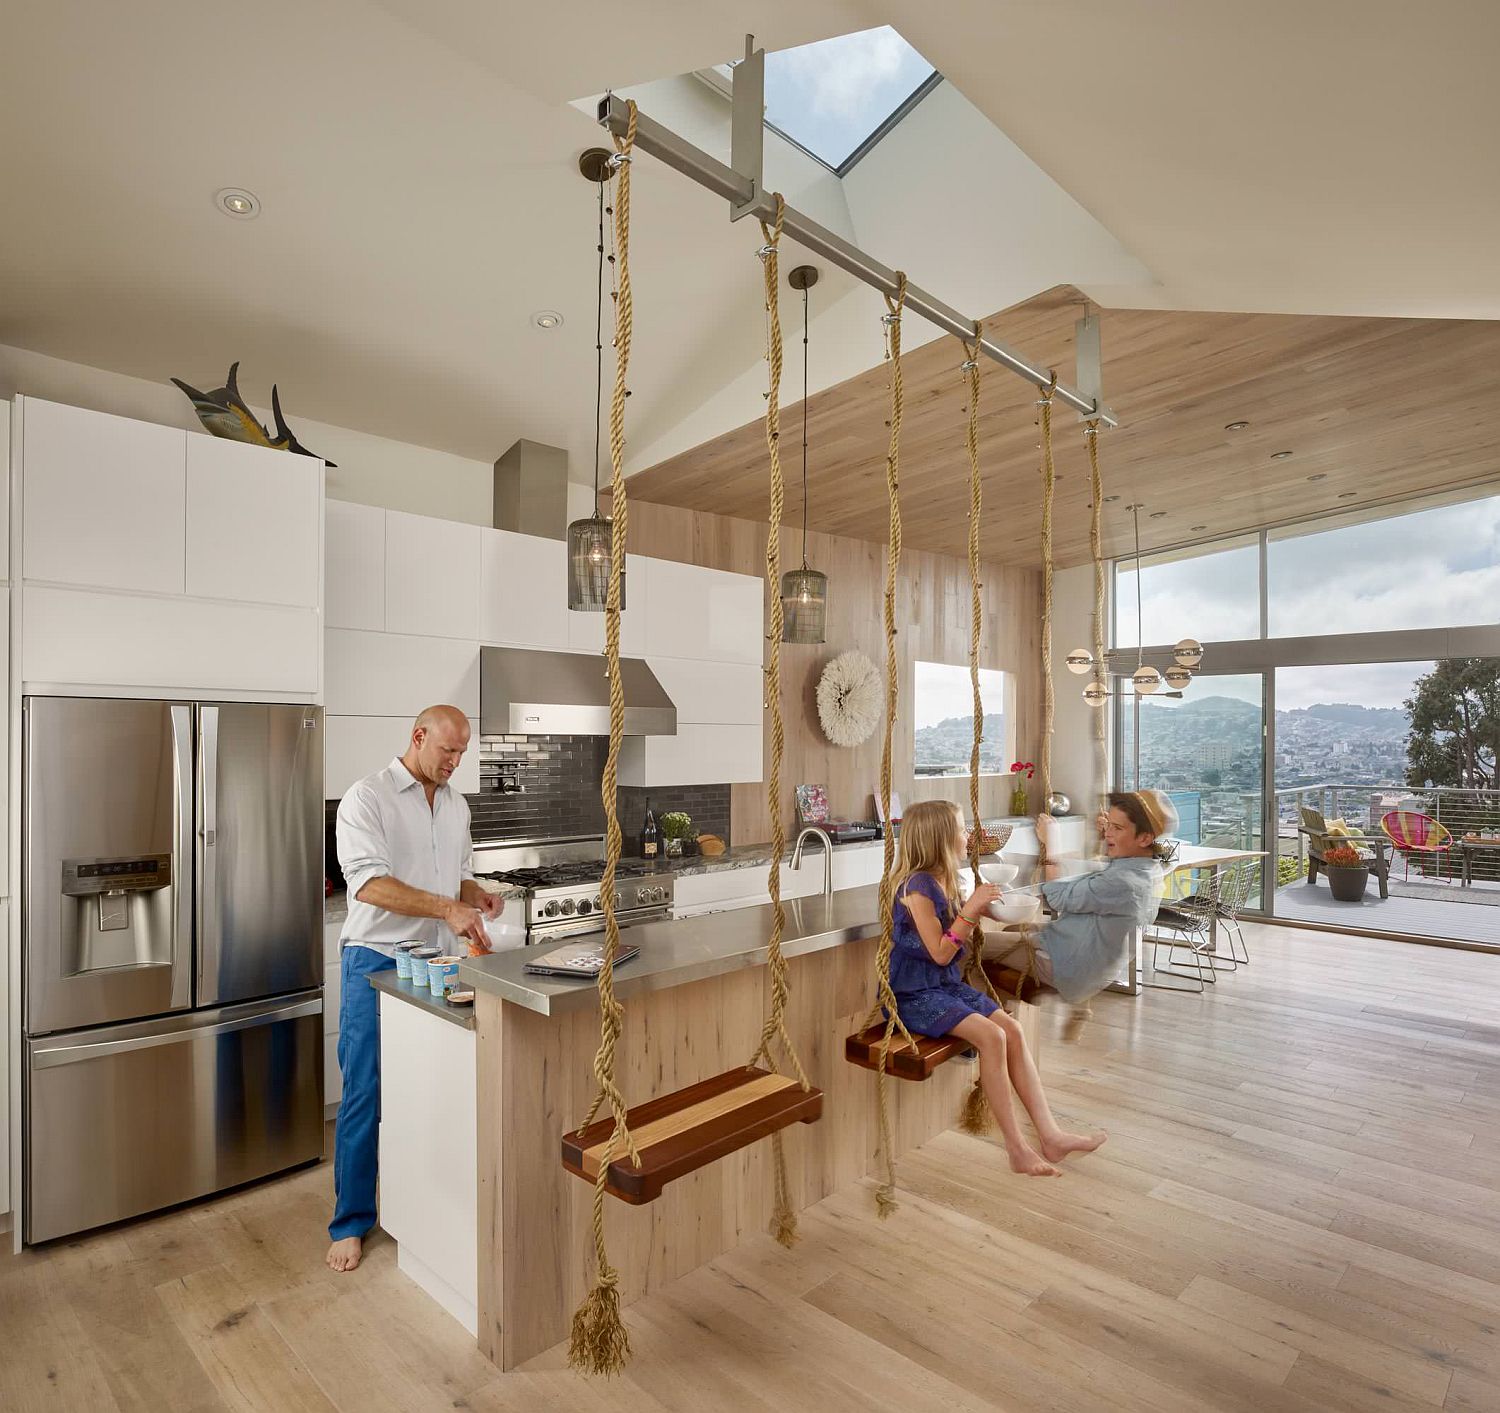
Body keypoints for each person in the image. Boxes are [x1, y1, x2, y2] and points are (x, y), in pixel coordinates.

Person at [325, 705, 504, 1273]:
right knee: (366, 1093)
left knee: (433, 1089)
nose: (454, 762)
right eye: (447, 751)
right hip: (374, 962)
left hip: (436, 965)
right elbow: (369, 885)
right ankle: (351, 1222)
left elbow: (454, 877)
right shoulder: (367, 798)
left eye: (461, 753)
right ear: (418, 736)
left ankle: (423, 1206)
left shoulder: (456, 804)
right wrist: (448, 905)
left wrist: (475, 896)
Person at [889, 799, 1105, 1178]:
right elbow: (940, 953)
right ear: (941, 837)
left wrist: (983, 909)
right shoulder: (915, 889)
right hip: (915, 995)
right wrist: (970, 911)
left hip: (944, 986)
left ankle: (1050, 1135)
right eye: (960, 828)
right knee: (992, 1037)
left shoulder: (945, 878)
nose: (968, 835)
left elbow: (955, 931)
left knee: (1013, 1030)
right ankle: (1017, 1149)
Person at [995, 790, 1174, 1011]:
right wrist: (1108, 834)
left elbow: (1057, 899)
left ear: (1145, 838)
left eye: (1117, 828)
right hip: (1082, 949)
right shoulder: (1147, 868)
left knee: (969, 948)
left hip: (1068, 964)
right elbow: (1099, 889)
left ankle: (984, 1027)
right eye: (1109, 824)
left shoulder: (1122, 882)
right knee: (1012, 929)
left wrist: (1053, 844)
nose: (1108, 832)